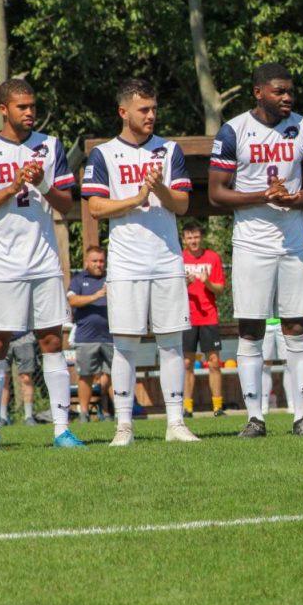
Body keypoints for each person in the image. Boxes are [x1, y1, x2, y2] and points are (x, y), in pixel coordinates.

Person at [0, 78, 85, 448]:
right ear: (3, 109)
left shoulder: (50, 146)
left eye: (32, 106)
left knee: (52, 340)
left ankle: (62, 428)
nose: (30, 113)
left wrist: (44, 183)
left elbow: (66, 205)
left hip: (45, 262)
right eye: (22, 107)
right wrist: (10, 188)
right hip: (2, 265)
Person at [209, 62, 303, 437]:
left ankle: (301, 416)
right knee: (251, 329)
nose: (287, 97)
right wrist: (264, 195)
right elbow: (216, 192)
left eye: (290, 91)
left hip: (293, 242)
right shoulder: (233, 131)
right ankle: (254, 418)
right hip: (251, 244)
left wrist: (293, 199)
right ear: (258, 92)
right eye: (279, 91)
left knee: (297, 327)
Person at [81, 78, 198, 446]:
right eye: (143, 109)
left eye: (153, 108)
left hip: (166, 260)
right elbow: (96, 208)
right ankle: (124, 427)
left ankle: (176, 424)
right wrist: (136, 197)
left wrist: (159, 188)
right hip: (127, 263)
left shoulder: (170, 150)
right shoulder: (103, 154)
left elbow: (181, 205)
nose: (151, 115)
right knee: (126, 344)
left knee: (171, 343)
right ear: (123, 112)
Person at [181, 222, 226, 417]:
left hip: (209, 317)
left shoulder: (213, 258)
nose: (194, 241)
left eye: (196, 237)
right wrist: (185, 282)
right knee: (187, 364)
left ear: (202, 237)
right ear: (184, 239)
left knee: (214, 362)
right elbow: (170, 289)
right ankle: (187, 407)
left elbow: (220, 289)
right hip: (186, 318)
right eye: (190, 237)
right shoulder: (178, 258)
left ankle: (217, 407)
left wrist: (206, 281)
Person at [68, 246, 113, 422]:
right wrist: (97, 295)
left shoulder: (112, 278)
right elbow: (72, 300)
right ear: (86, 261)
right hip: (86, 337)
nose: (98, 264)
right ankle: (84, 413)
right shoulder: (78, 280)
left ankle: (110, 412)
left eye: (101, 261)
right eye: (94, 261)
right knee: (85, 375)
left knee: (112, 374)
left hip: (111, 336)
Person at [0, 331, 39, 426]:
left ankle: (28, 417)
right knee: (3, 379)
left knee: (26, 378)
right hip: (1, 337)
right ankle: (2, 417)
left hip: (24, 336)